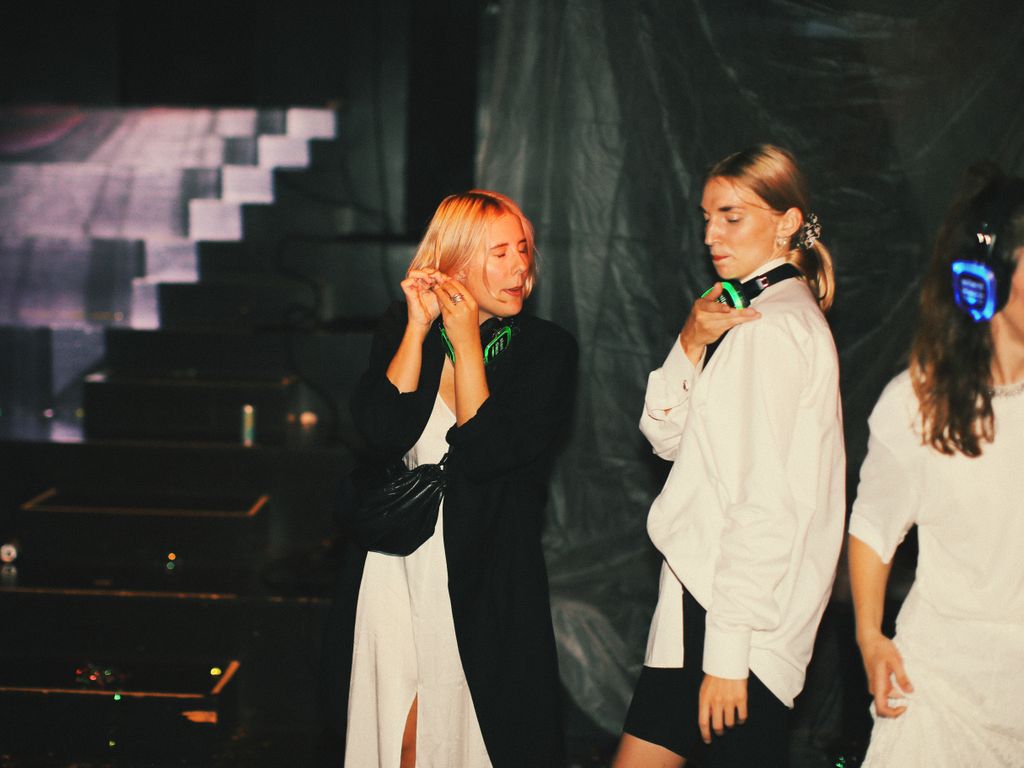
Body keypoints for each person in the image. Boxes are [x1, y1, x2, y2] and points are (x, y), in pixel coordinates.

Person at [614, 144, 845, 767]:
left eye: (731, 216)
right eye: (707, 216)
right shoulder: (758, 315)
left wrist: (727, 654)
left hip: (731, 622)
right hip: (704, 605)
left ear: (786, 222)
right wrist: (690, 341)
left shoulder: (772, 328)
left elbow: (765, 501)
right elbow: (667, 439)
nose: (710, 234)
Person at [330, 190, 577, 768]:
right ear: (457, 262)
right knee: (398, 735)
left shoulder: (545, 350)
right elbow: (380, 432)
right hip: (395, 565)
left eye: (523, 250)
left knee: (463, 734)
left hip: (484, 569)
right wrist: (418, 329)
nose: (520, 268)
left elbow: (485, 451)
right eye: (500, 253)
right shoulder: (404, 326)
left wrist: (467, 344)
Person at [848, 167, 1024, 766]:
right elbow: (873, 528)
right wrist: (870, 638)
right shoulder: (917, 404)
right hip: (939, 691)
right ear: (988, 278)